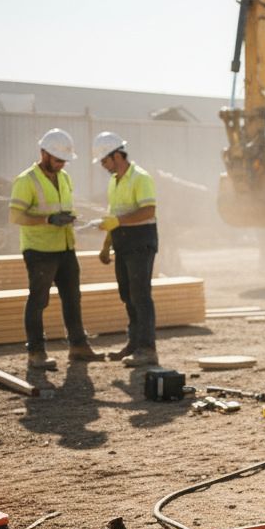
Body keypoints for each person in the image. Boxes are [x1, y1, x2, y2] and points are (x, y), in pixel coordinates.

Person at [8, 128, 103, 370]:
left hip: (65, 247)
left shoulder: (64, 178)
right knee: (38, 300)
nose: (61, 165)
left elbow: (61, 206)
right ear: (44, 153)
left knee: (73, 298)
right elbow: (16, 216)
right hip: (39, 250)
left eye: (64, 161)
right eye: (58, 160)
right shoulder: (25, 180)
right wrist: (48, 220)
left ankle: (78, 346)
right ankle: (36, 352)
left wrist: (68, 218)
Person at [91, 132, 159, 368]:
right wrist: (106, 244)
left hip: (141, 242)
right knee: (128, 295)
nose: (102, 165)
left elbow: (148, 211)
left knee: (141, 296)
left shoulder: (140, 178)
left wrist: (118, 222)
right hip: (123, 243)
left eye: (104, 160)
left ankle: (147, 349)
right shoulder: (114, 181)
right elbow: (114, 216)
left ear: (117, 155)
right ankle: (135, 343)